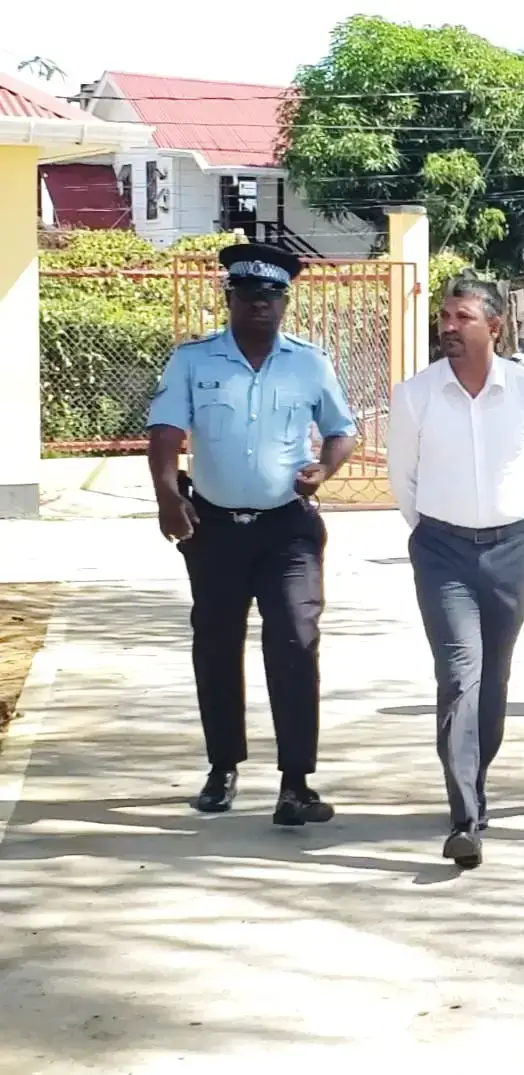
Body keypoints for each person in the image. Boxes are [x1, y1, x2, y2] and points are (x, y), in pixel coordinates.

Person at [146, 243, 357, 825]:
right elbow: (164, 434)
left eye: (271, 296)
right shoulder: (193, 361)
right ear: (230, 298)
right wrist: (168, 498)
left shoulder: (309, 363)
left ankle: (295, 783)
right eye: (248, 296)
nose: (260, 305)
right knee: (215, 646)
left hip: (287, 528)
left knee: (294, 640)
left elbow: (342, 430)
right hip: (213, 528)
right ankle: (222, 768)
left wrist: (327, 468)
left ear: (284, 303)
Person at [388, 278, 524, 868]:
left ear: (493, 326)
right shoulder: (416, 395)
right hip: (443, 554)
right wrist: (441, 529)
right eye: (442, 316)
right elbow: (404, 482)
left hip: (512, 551)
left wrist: (519, 526)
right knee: (460, 673)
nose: (446, 326)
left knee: (495, 678)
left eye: (460, 316)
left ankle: (477, 779)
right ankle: (464, 815)